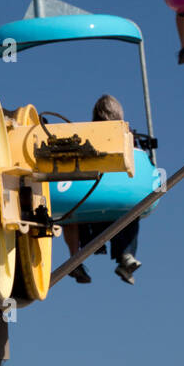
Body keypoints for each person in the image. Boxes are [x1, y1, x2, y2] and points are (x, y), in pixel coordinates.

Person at [64, 96, 144, 286]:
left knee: (69, 214)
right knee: (131, 210)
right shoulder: (126, 136)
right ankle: (125, 255)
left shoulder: (85, 135)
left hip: (87, 198)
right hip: (110, 199)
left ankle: (75, 259)